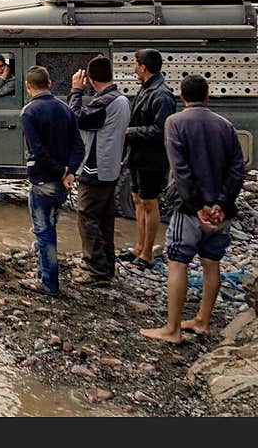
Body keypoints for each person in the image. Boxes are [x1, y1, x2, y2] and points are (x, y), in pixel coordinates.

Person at [141, 75, 245, 344]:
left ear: (181, 97)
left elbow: (181, 170)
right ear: (208, 96)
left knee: (178, 263)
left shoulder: (175, 123)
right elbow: (237, 170)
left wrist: (198, 206)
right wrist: (221, 204)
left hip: (189, 209)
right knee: (212, 264)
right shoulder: (226, 126)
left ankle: (172, 328)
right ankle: (202, 321)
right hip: (220, 212)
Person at [19, 65, 85, 296]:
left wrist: (60, 171)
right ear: (49, 84)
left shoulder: (29, 112)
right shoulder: (65, 109)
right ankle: (42, 273)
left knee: (44, 232)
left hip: (43, 181)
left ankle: (48, 282)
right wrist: (70, 172)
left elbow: (37, 149)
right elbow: (79, 146)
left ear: (28, 87)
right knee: (50, 227)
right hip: (62, 182)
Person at [68, 55, 130, 286]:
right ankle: (106, 268)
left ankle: (96, 271)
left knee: (88, 217)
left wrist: (75, 91)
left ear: (91, 80)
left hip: (96, 168)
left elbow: (75, 118)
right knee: (105, 219)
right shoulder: (119, 98)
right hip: (110, 166)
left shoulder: (105, 102)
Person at [119, 48, 176, 271]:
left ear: (143, 66)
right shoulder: (146, 88)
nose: (133, 67)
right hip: (138, 155)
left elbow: (162, 129)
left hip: (151, 158)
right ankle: (139, 246)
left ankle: (148, 254)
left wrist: (130, 132)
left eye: (135, 63)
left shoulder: (161, 94)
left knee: (149, 203)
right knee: (138, 201)